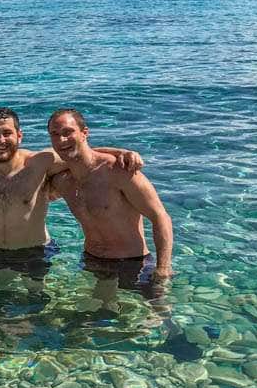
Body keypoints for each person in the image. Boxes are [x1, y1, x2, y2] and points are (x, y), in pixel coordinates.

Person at [0, 107, 142, 284]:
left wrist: (120, 152)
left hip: (35, 252)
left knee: (37, 304)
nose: (1, 140)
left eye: (7, 133)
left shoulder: (40, 162)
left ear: (19, 136)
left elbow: (82, 154)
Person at [48, 108, 173, 300]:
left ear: (84, 133)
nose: (61, 140)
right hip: (91, 261)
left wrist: (163, 268)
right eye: (55, 135)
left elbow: (160, 217)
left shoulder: (119, 171)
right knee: (97, 320)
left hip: (133, 263)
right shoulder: (62, 181)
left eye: (68, 132)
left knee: (160, 321)